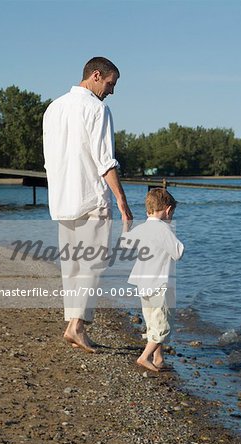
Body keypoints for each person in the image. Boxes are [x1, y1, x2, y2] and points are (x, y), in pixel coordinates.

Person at [43, 57, 133, 353]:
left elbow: (49, 160)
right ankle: (77, 327)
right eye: (110, 84)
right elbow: (105, 160)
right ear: (96, 76)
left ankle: (73, 324)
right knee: (92, 264)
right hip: (91, 197)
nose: (111, 91)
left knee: (72, 265)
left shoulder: (53, 109)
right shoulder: (96, 109)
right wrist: (122, 200)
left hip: (62, 199)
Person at [121, 188, 184, 371]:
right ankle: (144, 356)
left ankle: (158, 358)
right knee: (163, 325)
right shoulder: (164, 229)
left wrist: (126, 225)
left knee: (152, 322)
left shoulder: (142, 228)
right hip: (160, 284)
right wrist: (170, 231)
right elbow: (179, 252)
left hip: (143, 284)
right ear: (168, 210)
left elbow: (125, 245)